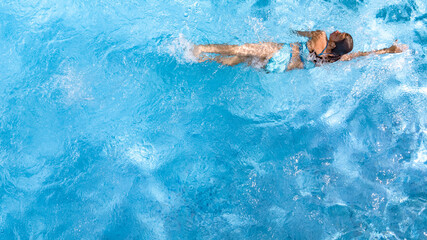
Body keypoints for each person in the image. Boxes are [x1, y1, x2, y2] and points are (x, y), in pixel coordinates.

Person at [192, 30, 407, 72]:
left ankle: (202, 49)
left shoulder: (321, 35)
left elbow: (300, 33)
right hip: (279, 68)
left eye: (339, 35)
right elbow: (361, 55)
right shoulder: (334, 59)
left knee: (241, 49)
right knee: (239, 59)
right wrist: (388, 50)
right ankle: (206, 60)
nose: (337, 31)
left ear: (334, 43)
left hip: (282, 53)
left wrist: (296, 32)